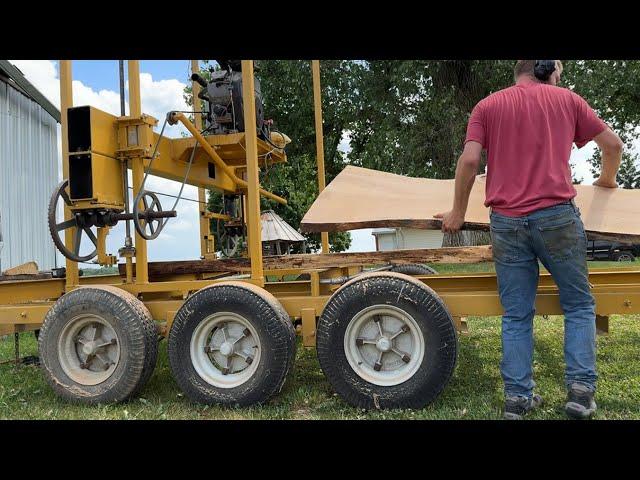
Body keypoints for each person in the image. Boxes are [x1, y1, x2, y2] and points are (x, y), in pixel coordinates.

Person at [435, 60, 623, 419]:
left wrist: (457, 212)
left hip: (506, 222)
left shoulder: (487, 106)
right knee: (579, 305)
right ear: (547, 69)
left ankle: (517, 401)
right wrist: (607, 181)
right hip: (557, 218)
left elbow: (470, 161)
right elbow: (612, 145)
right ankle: (580, 395)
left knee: (517, 314)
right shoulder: (568, 100)